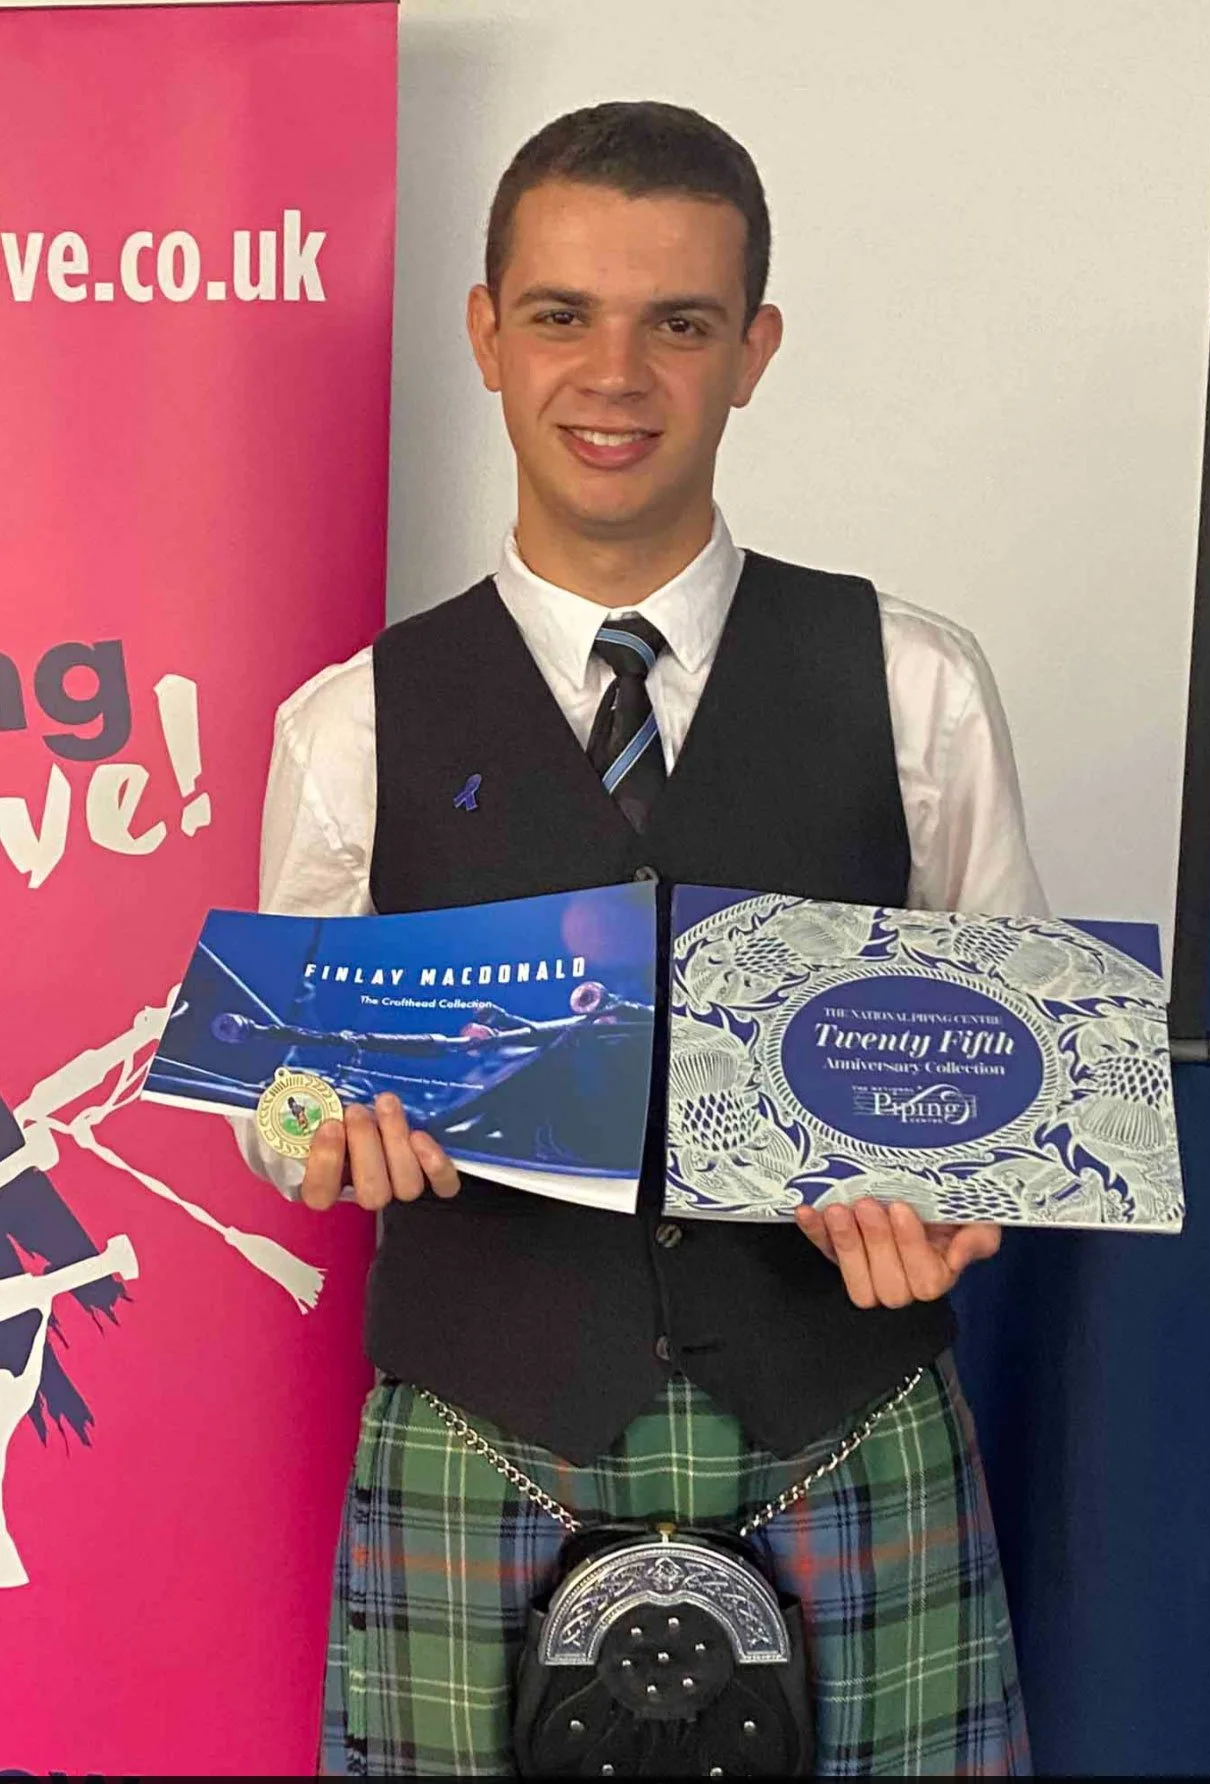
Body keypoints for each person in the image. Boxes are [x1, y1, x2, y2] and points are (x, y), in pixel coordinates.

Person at [238, 100, 1045, 1777]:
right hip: (486, 1441)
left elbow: (1020, 1095)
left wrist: (958, 1198)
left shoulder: (919, 686)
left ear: (752, 352)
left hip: (852, 1432)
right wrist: (324, 1137)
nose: (615, 374)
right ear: (484, 332)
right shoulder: (346, 725)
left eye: (677, 322)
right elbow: (282, 1097)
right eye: (562, 315)